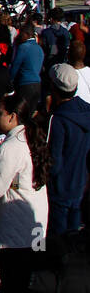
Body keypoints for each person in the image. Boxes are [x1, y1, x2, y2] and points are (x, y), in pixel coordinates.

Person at [0, 95, 49, 293]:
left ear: (12, 117)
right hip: (36, 226)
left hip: (15, 232)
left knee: (12, 289)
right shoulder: (31, 138)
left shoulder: (10, 148)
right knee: (29, 288)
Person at [46, 64, 90, 235]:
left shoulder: (58, 120)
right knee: (75, 242)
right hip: (82, 185)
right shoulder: (86, 111)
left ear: (53, 88)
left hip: (61, 190)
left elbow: (55, 162)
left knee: (58, 243)